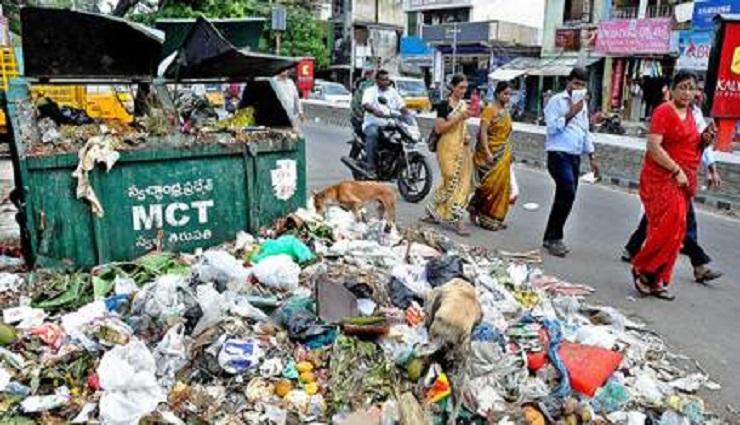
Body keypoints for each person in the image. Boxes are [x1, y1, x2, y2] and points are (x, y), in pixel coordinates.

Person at [622, 85, 723, 284]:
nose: (691, 93)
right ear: (674, 89)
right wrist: (676, 170)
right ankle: (648, 270)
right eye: (684, 88)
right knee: (674, 224)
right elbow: (654, 146)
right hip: (666, 177)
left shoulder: (694, 114)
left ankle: (643, 262)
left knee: (671, 225)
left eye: (694, 89)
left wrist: (705, 145)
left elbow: (694, 144)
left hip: (685, 180)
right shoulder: (665, 111)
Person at [542, 67, 600, 257]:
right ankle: (555, 238)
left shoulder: (583, 105)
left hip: (574, 156)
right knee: (567, 190)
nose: (578, 88)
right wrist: (571, 113)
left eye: (582, 85)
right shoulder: (556, 101)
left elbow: (585, 131)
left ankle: (550, 236)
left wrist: (592, 156)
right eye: (576, 84)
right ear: (568, 82)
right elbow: (552, 128)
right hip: (558, 154)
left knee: (566, 196)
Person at [422, 74, 473, 236]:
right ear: (452, 87)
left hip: (462, 148)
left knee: (461, 183)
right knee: (451, 178)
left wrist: (466, 136)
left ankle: (455, 219)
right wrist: (458, 118)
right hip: (446, 147)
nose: (463, 91)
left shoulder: (464, 105)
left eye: (465, 88)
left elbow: (463, 127)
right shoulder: (444, 105)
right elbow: (439, 129)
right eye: (460, 87)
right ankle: (447, 214)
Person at [468, 81, 514, 231]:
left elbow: (506, 135)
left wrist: (509, 152)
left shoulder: (506, 112)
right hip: (488, 154)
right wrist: (487, 152)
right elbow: (483, 133)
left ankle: (492, 217)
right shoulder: (489, 110)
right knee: (487, 186)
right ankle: (475, 210)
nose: (508, 97)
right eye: (505, 93)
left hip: (503, 153)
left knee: (501, 186)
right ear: (497, 93)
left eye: (510, 94)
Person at [361, 69, 410, 178]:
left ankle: (394, 163)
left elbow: (402, 106)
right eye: (383, 80)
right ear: (377, 81)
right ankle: (371, 167)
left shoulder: (393, 92)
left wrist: (408, 115)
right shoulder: (370, 91)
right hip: (373, 123)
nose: (386, 82)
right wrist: (374, 110)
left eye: (387, 79)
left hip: (390, 124)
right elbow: (366, 104)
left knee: (403, 137)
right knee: (373, 134)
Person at [351, 68, 375, 134]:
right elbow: (358, 101)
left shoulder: (376, 86)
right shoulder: (363, 85)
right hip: (362, 113)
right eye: (373, 75)